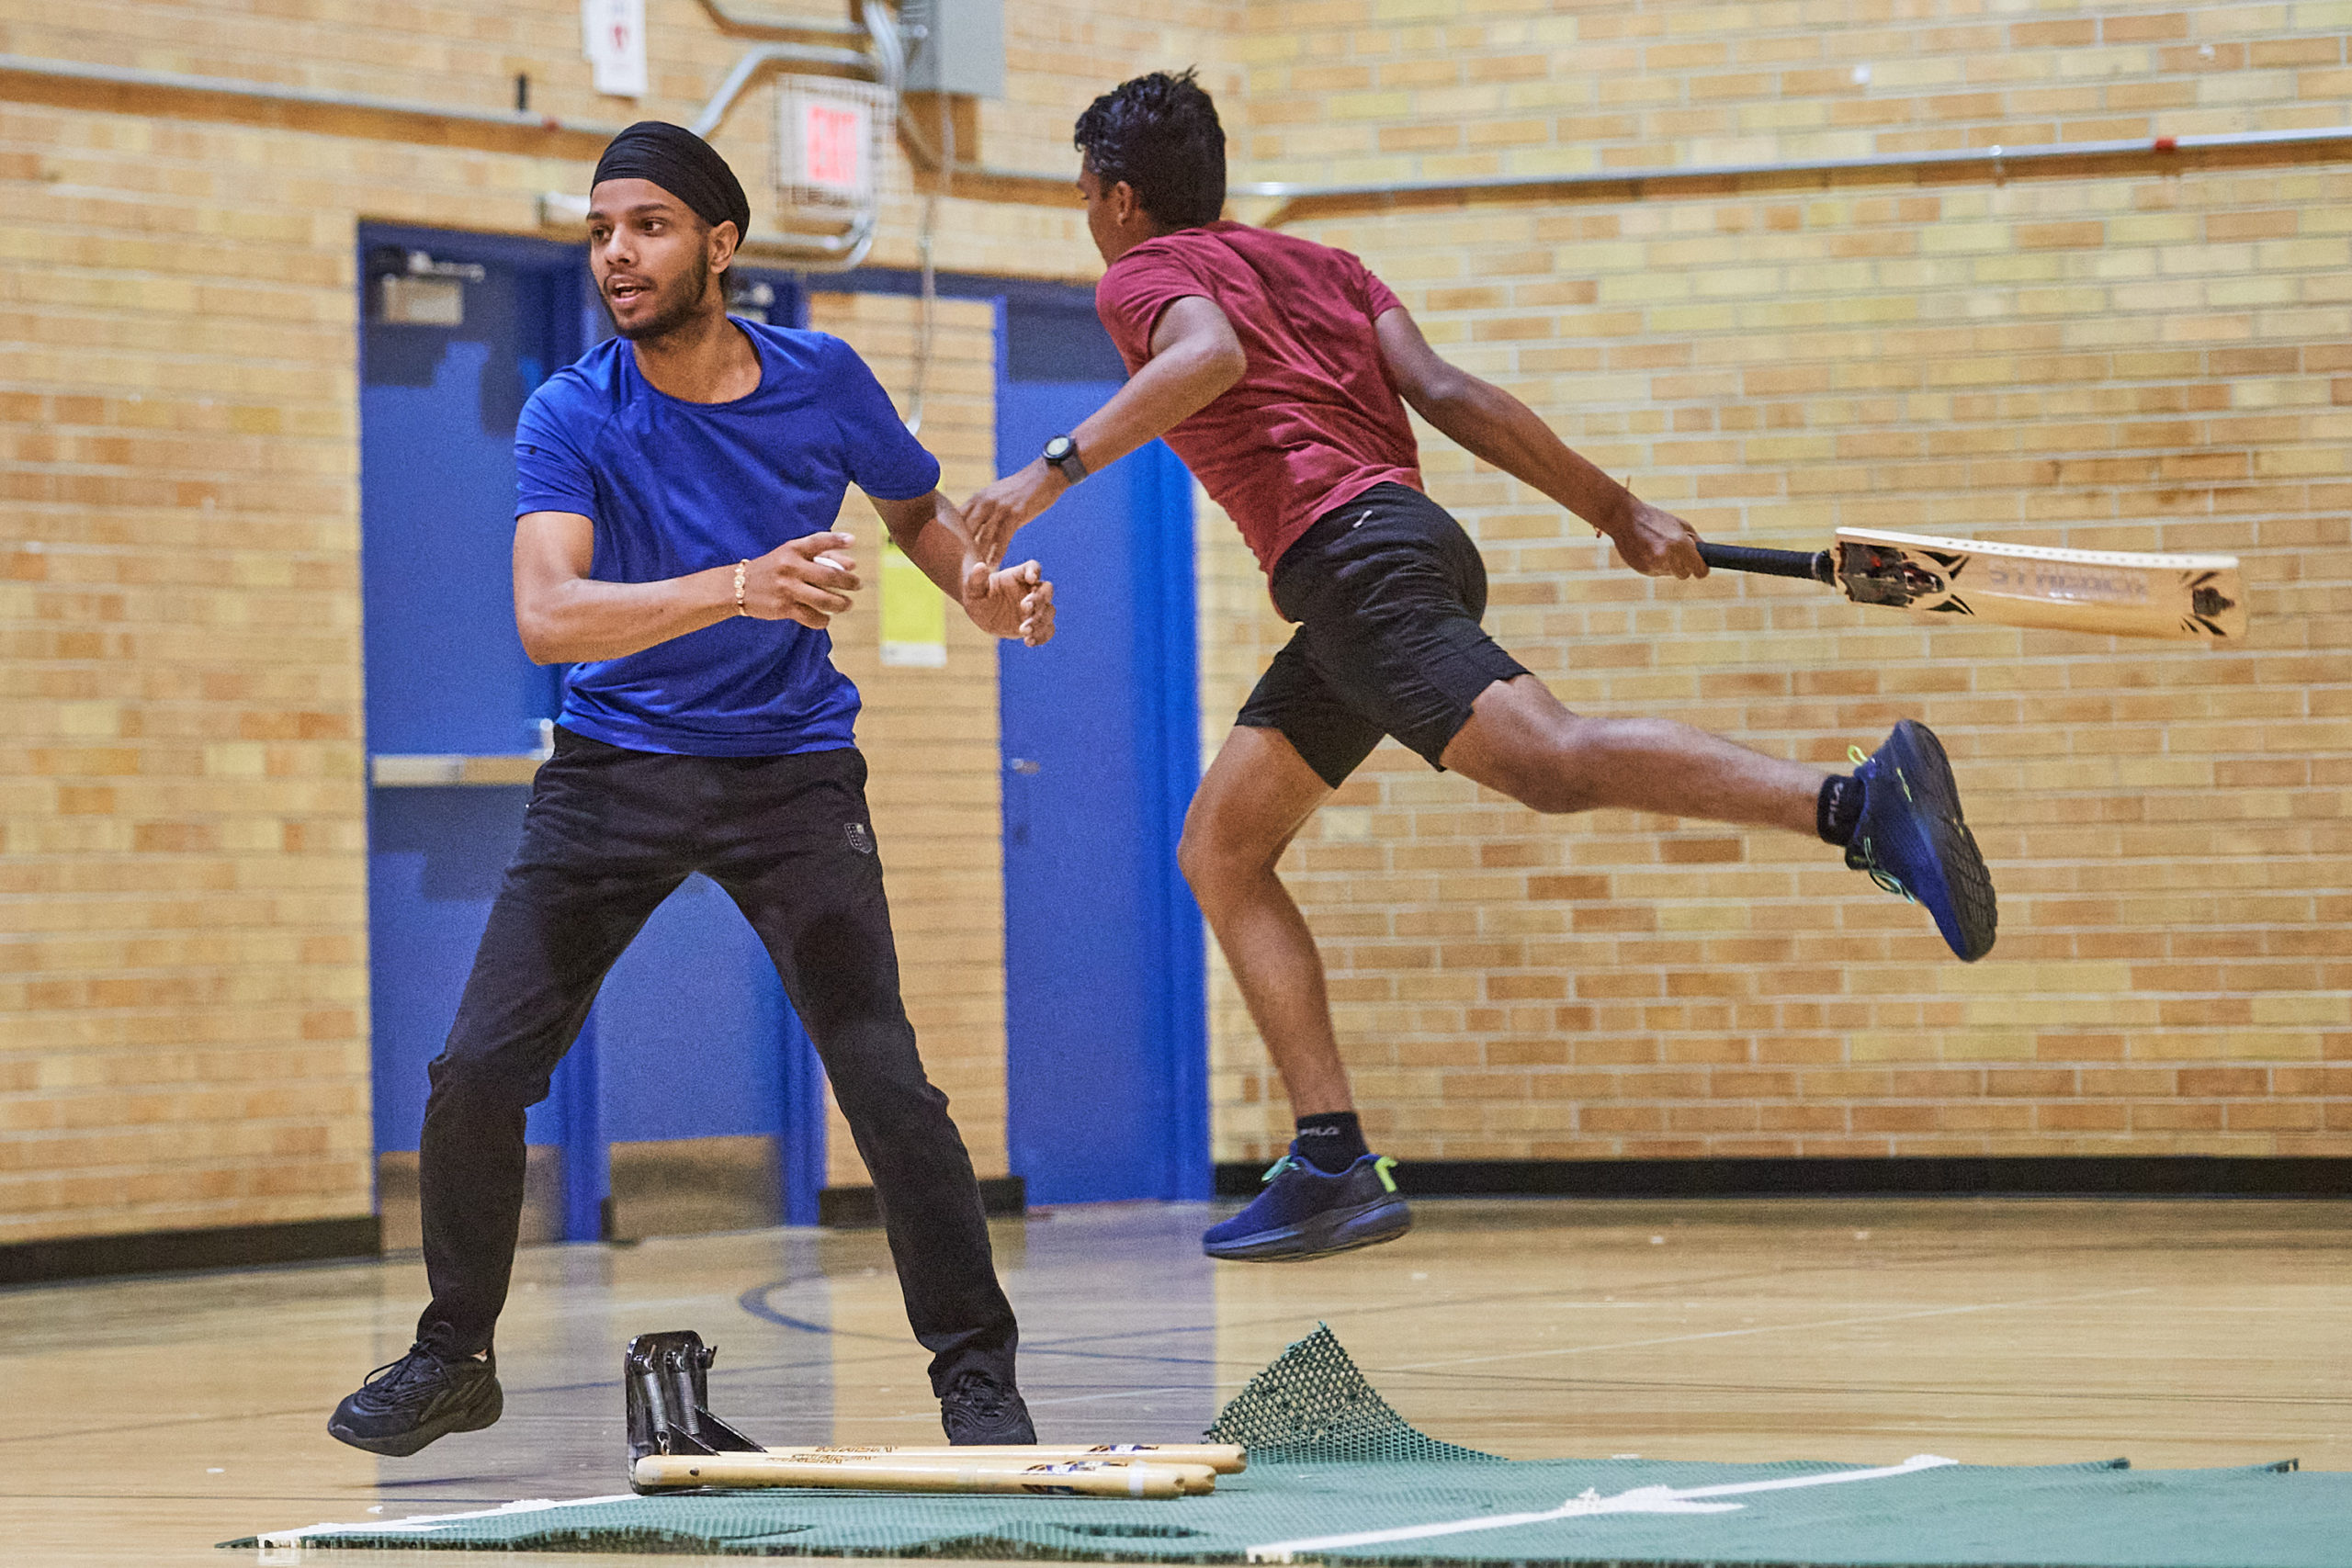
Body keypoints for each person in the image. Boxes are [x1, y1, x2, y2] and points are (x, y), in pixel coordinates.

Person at [962, 72, 1996, 1265]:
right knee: (1223, 848)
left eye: (1085, 192)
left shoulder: (1143, 273)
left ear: (1121, 196)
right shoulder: (1331, 269)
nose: (1088, 213)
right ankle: (1331, 1156)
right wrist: (1615, 508)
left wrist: (1043, 474)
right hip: (1399, 550)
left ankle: (1856, 803)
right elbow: (1448, 393)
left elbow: (1206, 359)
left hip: (1351, 564)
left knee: (1548, 762)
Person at [330, 122, 1054, 1456]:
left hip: (790, 777)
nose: (617, 252)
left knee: (887, 1084)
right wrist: (736, 584)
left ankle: (977, 1380)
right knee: (476, 1070)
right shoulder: (571, 411)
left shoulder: (824, 377)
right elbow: (548, 616)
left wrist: (982, 592)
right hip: (614, 776)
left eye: (649, 226)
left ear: (721, 245)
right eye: (602, 229)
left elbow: (915, 512)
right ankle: (454, 1355)